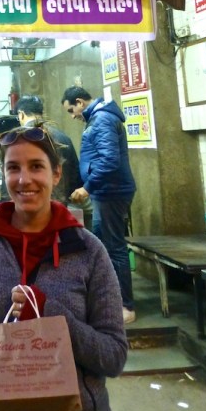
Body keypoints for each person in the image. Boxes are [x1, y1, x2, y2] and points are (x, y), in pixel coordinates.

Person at [0, 123, 128, 411]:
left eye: (36, 166)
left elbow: (114, 356)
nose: (24, 179)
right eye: (13, 168)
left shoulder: (88, 250)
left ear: (56, 173)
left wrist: (53, 317)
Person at [61, 86, 137, 324]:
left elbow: (109, 160)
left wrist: (87, 187)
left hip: (111, 191)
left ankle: (126, 306)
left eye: (71, 110)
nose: (72, 116)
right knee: (102, 245)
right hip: (105, 191)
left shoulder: (102, 119)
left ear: (80, 102)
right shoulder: (98, 117)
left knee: (114, 247)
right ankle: (110, 299)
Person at [14, 95, 82, 208]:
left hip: (30, 205)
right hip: (60, 205)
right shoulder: (63, 138)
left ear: (21, 114)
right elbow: (75, 176)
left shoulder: (19, 139)